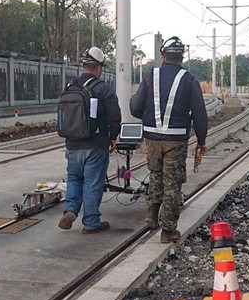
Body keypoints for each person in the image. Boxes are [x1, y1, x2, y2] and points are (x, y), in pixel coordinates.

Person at [129, 36, 208, 244]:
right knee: (172, 184)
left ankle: (152, 214)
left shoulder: (150, 77)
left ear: (163, 57)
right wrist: (201, 141)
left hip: (152, 137)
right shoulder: (189, 79)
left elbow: (135, 107)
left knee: (156, 174)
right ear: (181, 57)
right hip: (176, 139)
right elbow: (199, 114)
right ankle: (168, 230)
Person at [58, 47, 122, 234]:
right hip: (95, 145)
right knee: (93, 182)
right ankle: (91, 222)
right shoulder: (103, 89)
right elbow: (114, 116)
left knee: (74, 178)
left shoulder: (71, 87)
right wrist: (112, 136)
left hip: (72, 143)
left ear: (84, 65)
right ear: (98, 68)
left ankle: (71, 210)